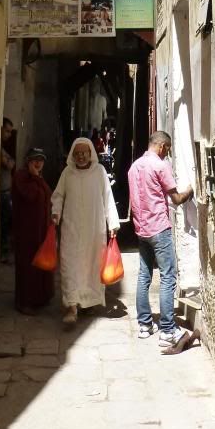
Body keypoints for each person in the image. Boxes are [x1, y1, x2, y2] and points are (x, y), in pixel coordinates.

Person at [127, 131, 194, 350]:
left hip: (141, 229)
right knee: (168, 276)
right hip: (159, 228)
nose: (168, 154)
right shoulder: (160, 165)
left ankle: (145, 325)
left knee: (144, 275)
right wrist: (192, 190)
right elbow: (176, 198)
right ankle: (167, 329)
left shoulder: (134, 166)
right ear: (163, 147)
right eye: (168, 150)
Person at [51, 137, 120, 326]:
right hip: (71, 229)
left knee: (92, 266)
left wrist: (112, 223)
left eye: (84, 153)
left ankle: (89, 302)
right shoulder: (68, 173)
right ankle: (71, 306)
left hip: (93, 229)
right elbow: (58, 195)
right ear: (73, 155)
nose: (81, 156)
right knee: (69, 266)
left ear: (91, 154)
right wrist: (55, 213)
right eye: (78, 153)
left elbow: (108, 197)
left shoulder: (99, 172)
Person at [11, 147, 54, 315]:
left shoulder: (38, 178)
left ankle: (40, 297)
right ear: (28, 161)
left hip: (40, 229)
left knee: (40, 262)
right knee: (27, 264)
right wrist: (35, 177)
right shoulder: (21, 177)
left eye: (41, 160)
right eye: (34, 159)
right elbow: (31, 196)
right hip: (26, 231)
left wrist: (37, 178)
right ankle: (24, 302)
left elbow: (48, 194)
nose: (38, 163)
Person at [0, 116, 15, 263]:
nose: (9, 135)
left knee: (6, 223)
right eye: (7, 131)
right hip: (2, 193)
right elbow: (9, 164)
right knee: (4, 225)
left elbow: (10, 163)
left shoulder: (2, 148)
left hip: (5, 191)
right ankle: (2, 254)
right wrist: (9, 161)